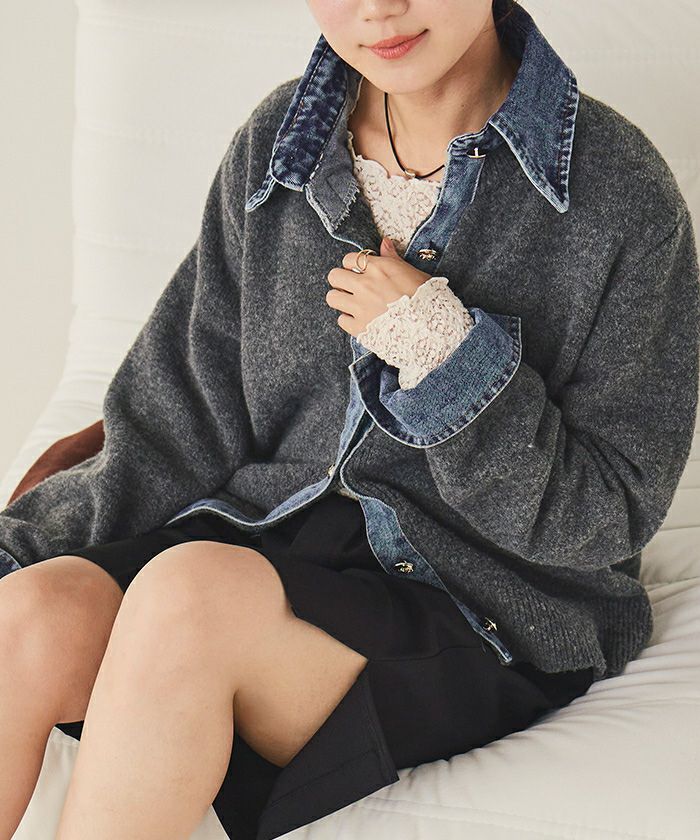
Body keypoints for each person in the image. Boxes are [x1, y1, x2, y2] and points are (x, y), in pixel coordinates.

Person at [1, 1, 698, 838]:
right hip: (270, 546)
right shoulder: (280, 146)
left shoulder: (621, 193)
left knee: (188, 595)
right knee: (28, 612)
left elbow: (603, 520)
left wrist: (448, 357)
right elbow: (176, 417)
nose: (377, 9)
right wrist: (25, 543)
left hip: (477, 599)